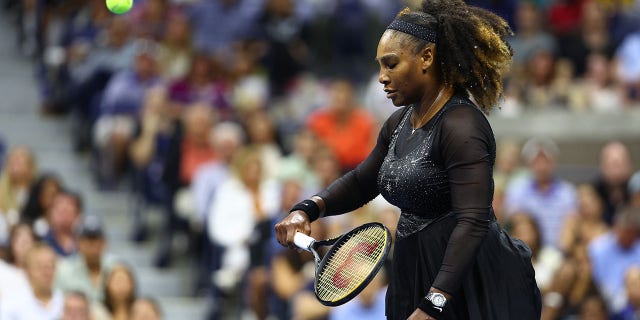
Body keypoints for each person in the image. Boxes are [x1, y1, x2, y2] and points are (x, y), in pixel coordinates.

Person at [275, 2, 541, 319]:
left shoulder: (462, 127)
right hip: (413, 271)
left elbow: (473, 221)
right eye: (379, 66)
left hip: (469, 284)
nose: (382, 78)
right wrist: (307, 208)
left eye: (391, 64)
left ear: (427, 57)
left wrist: (436, 300)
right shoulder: (398, 122)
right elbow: (363, 181)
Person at [55, 215, 118, 303]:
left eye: (95, 239)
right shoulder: (65, 269)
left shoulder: (115, 267)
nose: (91, 244)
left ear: (104, 242)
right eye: (86, 239)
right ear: (78, 242)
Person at [0, 243, 64, 319]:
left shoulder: (65, 301)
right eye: (40, 267)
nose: (47, 272)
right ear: (27, 270)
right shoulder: (10, 305)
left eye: (51, 266)